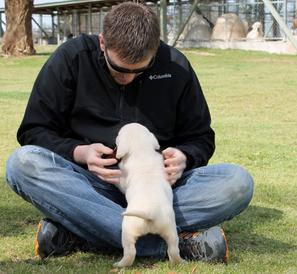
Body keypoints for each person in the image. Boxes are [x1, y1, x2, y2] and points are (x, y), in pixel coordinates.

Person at [6, 2, 253, 263]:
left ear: (155, 50)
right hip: (88, 186)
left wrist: (185, 157)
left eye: (141, 70)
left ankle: (82, 233)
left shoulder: (176, 66)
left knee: (237, 183)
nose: (130, 78)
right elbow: (33, 130)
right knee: (22, 164)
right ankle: (172, 246)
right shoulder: (71, 58)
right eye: (120, 69)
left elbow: (201, 136)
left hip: (159, 190)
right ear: (102, 42)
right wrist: (79, 152)